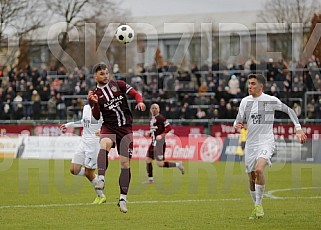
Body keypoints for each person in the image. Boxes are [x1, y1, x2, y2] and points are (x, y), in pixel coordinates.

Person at [233, 74, 307, 220]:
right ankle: (256, 206)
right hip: (251, 144)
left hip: (266, 141)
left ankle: (259, 205)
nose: (250, 86)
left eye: (253, 84)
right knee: (251, 178)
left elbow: (290, 111)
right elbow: (237, 121)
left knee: (259, 169)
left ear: (261, 86)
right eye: (249, 84)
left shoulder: (270, 100)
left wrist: (298, 128)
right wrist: (237, 125)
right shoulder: (244, 102)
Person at [87, 63, 146, 213]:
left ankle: (122, 199)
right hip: (109, 126)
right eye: (102, 74)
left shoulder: (118, 84)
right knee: (104, 145)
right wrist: (92, 103)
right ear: (95, 76)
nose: (105, 76)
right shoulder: (94, 93)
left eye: (107, 73)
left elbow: (135, 93)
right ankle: (101, 178)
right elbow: (95, 116)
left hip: (125, 128)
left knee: (125, 164)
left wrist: (139, 101)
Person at [60, 104, 105, 204]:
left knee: (89, 173)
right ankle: (98, 179)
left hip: (94, 145)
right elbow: (83, 122)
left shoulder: (103, 109)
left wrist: (103, 131)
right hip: (83, 142)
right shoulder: (86, 107)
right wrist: (68, 124)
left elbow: (110, 124)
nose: (90, 96)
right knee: (74, 169)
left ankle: (101, 196)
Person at [143, 103, 184, 184]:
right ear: (151, 110)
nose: (154, 109)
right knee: (148, 160)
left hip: (160, 144)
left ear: (158, 109)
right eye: (153, 108)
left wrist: (161, 135)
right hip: (153, 143)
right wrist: (150, 133)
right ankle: (150, 179)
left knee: (160, 164)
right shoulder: (151, 119)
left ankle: (178, 164)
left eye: (156, 108)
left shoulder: (161, 118)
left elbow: (168, 128)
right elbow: (155, 130)